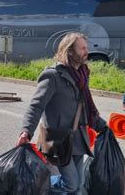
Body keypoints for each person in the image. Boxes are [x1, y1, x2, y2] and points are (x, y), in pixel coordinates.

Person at [16, 32, 107, 194]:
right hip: (58, 140)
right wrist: (26, 131)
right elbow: (36, 106)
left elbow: (85, 105)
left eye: (86, 47)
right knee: (72, 185)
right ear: (70, 51)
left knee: (78, 185)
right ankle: (39, 186)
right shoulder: (52, 75)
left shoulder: (83, 73)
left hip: (79, 138)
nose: (87, 51)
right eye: (82, 48)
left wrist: (102, 126)